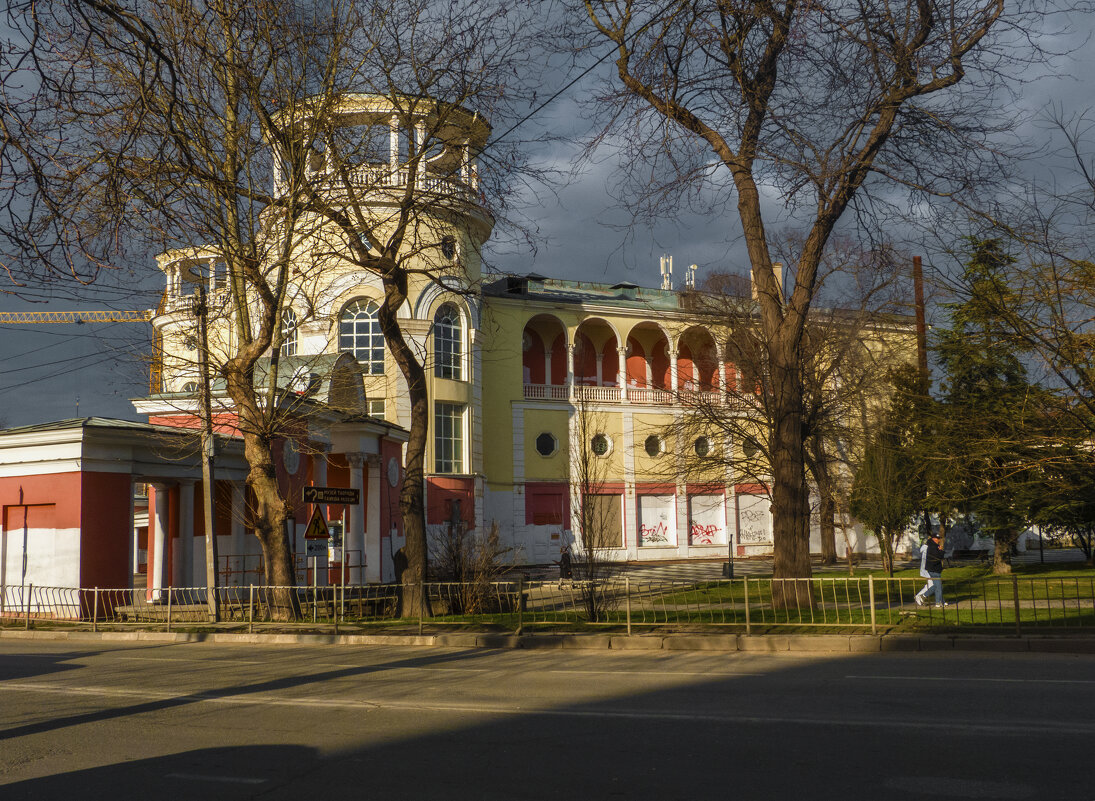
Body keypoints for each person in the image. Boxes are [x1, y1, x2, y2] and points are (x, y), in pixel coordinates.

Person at [915, 530, 947, 608]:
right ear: (933, 538)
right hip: (933, 569)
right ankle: (934, 600)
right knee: (938, 586)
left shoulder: (932, 545)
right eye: (937, 538)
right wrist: (941, 551)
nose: (938, 540)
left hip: (934, 569)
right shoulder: (932, 547)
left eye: (939, 538)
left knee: (938, 586)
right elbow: (938, 557)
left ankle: (940, 601)